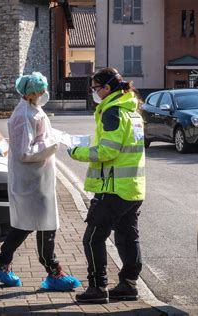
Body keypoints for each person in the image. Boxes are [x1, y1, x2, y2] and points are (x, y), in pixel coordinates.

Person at [0, 72, 80, 291]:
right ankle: (53, 272)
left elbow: (38, 139)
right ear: (31, 92)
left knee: (27, 224)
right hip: (32, 181)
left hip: (37, 179)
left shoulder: (33, 110)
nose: (44, 93)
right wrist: (54, 142)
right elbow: (26, 152)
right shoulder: (25, 115)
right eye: (41, 89)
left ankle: (1, 263)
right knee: (44, 224)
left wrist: (54, 137)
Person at [67, 68, 146, 303]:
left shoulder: (112, 112)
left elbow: (108, 151)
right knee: (127, 237)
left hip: (113, 188)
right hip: (133, 188)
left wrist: (76, 152)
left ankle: (97, 288)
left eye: (96, 88)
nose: (94, 93)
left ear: (107, 88)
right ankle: (128, 285)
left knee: (92, 238)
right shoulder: (132, 110)